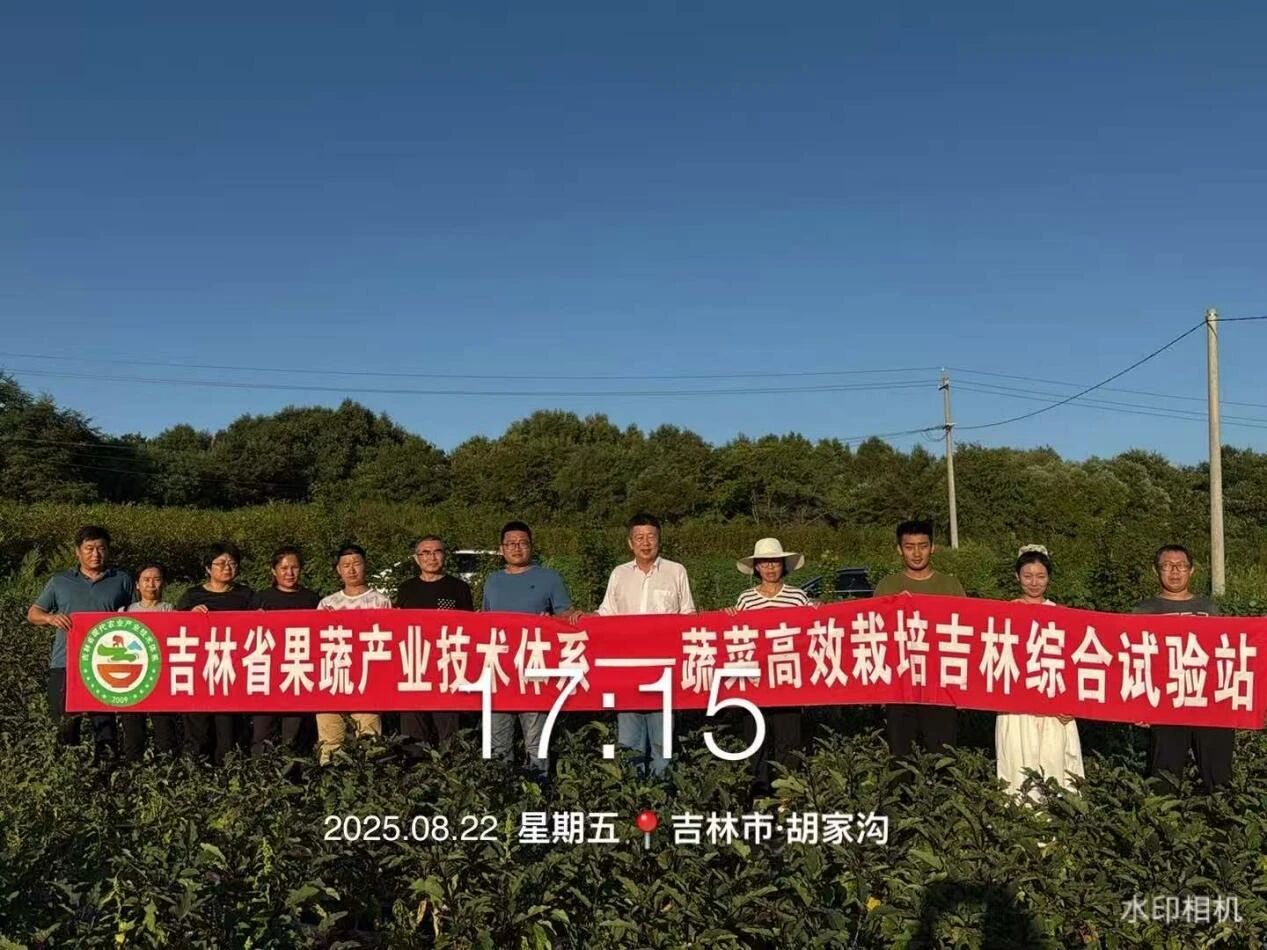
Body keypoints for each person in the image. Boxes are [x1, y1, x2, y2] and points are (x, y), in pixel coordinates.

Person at [595, 513, 695, 777]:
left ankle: (661, 797)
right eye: (639, 537)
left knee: (663, 746)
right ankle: (633, 795)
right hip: (627, 671)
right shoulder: (619, 574)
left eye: (651, 536)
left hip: (663, 671)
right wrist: (580, 621)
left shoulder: (676, 571)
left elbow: (688, 615)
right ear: (630, 543)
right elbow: (606, 614)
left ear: (659, 540)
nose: (645, 542)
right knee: (629, 744)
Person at [482, 521, 581, 781]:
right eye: (511, 544)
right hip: (500, 672)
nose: (517, 548)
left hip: (535, 672)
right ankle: (502, 794)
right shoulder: (493, 581)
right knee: (498, 743)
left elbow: (566, 617)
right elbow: (484, 622)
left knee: (537, 743)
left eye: (522, 543)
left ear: (531, 546)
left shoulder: (549, 578)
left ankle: (538, 794)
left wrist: (557, 621)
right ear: (501, 549)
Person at [28, 525, 134, 763]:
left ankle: (106, 770)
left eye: (101, 548)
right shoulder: (60, 581)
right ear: (77, 551)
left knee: (104, 722)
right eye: (89, 548)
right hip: (66, 661)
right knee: (65, 721)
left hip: (105, 664)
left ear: (108, 550)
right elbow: (33, 613)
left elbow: (137, 615)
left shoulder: (121, 580)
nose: (95, 554)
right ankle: (68, 769)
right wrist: (50, 618)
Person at [1133, 544, 1232, 794]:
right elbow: (1134, 660)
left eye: (1181, 566)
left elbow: (1227, 654)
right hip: (1165, 703)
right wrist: (1138, 703)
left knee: (1219, 776)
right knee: (1163, 777)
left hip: (1209, 702)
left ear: (1192, 570)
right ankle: (1163, 818)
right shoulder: (1144, 611)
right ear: (1156, 571)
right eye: (1167, 566)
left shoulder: (1210, 609)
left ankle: (1221, 817)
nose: (1175, 571)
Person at [994, 545, 1084, 800]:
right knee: (1017, 766)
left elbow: (1074, 663)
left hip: (1054, 707)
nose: (1034, 582)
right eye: (1028, 576)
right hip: (1016, 707)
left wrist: (1072, 703)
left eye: (1040, 576)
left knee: (1055, 765)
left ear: (1049, 578)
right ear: (1017, 576)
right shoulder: (1003, 614)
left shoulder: (1062, 615)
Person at [874, 519, 965, 757]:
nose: (916, 553)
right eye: (909, 547)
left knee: (943, 756)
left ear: (933, 547)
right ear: (899, 549)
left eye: (923, 546)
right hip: (900, 686)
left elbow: (967, 631)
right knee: (901, 757)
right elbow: (874, 631)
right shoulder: (888, 585)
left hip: (940, 686)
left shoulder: (950, 585)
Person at [732, 537, 812, 798]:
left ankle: (787, 796)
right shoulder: (746, 599)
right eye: (764, 563)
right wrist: (728, 618)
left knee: (788, 740)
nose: (769, 568)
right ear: (756, 567)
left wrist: (819, 612)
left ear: (783, 565)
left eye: (775, 562)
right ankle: (759, 795)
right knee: (757, 740)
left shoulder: (797, 597)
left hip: (787, 680)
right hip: (755, 682)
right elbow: (736, 635)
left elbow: (812, 629)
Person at [176, 541, 254, 765]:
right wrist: (189, 615)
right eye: (221, 563)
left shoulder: (246, 595)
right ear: (208, 568)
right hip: (199, 672)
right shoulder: (192, 596)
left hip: (232, 672)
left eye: (232, 563)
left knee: (228, 728)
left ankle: (227, 771)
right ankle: (196, 772)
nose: (227, 568)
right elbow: (173, 629)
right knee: (198, 728)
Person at [393, 535, 474, 748]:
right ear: (416, 558)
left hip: (447, 667)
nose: (431, 557)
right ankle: (416, 767)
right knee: (414, 730)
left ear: (444, 556)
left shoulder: (459, 587)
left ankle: (452, 765)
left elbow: (470, 628)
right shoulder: (406, 588)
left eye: (437, 552)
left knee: (449, 729)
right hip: (414, 668)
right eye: (425, 553)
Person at [315, 543, 389, 764]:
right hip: (333, 679)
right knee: (330, 740)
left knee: (370, 737)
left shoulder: (380, 601)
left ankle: (371, 778)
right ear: (338, 570)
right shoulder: (327, 603)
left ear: (365, 566)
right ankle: (330, 779)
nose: (351, 569)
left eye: (356, 563)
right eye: (346, 565)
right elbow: (316, 642)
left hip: (368, 679)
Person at [250, 546, 321, 757]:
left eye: (294, 567)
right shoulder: (260, 599)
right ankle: (261, 773)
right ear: (273, 571)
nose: (289, 573)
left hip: (298, 675)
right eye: (284, 568)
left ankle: (293, 774)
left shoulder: (312, 599)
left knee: (294, 736)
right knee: (263, 734)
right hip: (266, 676)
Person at [119, 563, 178, 761]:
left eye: (156, 579)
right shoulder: (125, 611)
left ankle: (167, 769)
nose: (151, 584)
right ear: (137, 584)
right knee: (132, 730)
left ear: (164, 583)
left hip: (161, 678)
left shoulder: (170, 610)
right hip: (133, 679)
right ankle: (133, 770)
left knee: (164, 730)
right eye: (146, 579)